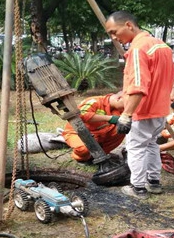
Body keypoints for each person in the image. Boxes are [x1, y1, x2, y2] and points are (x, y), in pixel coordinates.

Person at [105, 11, 174, 199]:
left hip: (143, 110)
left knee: (135, 148)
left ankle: (138, 187)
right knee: (151, 144)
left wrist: (126, 115)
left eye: (113, 31)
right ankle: (154, 182)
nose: (113, 37)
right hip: (161, 110)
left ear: (128, 25)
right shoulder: (162, 46)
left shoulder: (138, 49)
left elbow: (138, 86)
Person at [62, 92, 125, 163]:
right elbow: (82, 114)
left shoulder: (119, 109)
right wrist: (109, 118)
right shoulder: (94, 101)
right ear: (118, 99)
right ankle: (81, 158)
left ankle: (102, 155)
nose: (126, 108)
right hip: (77, 133)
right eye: (126, 105)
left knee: (122, 129)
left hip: (99, 135)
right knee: (83, 149)